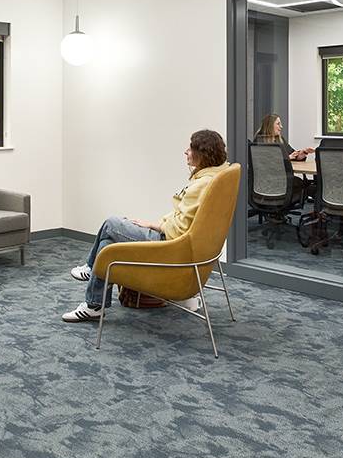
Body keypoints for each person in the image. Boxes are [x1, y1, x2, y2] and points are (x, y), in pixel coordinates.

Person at [62, 129, 230, 322]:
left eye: (190, 148)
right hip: (176, 242)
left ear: (203, 154)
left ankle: (92, 269)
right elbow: (184, 219)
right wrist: (155, 224)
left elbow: (179, 229)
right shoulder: (213, 179)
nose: (186, 152)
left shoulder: (202, 185)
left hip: (169, 244)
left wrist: (154, 226)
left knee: (111, 223)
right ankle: (94, 305)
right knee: (106, 246)